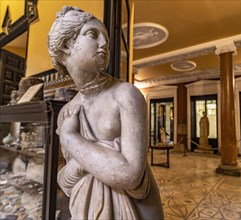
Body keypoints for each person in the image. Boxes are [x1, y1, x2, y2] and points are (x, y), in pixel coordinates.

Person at [48, 6, 163, 219]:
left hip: (135, 211)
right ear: (66, 45)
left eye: (107, 40)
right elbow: (64, 181)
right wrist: (97, 159)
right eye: (93, 34)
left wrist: (71, 139)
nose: (104, 44)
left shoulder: (125, 95)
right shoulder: (67, 112)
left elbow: (130, 176)